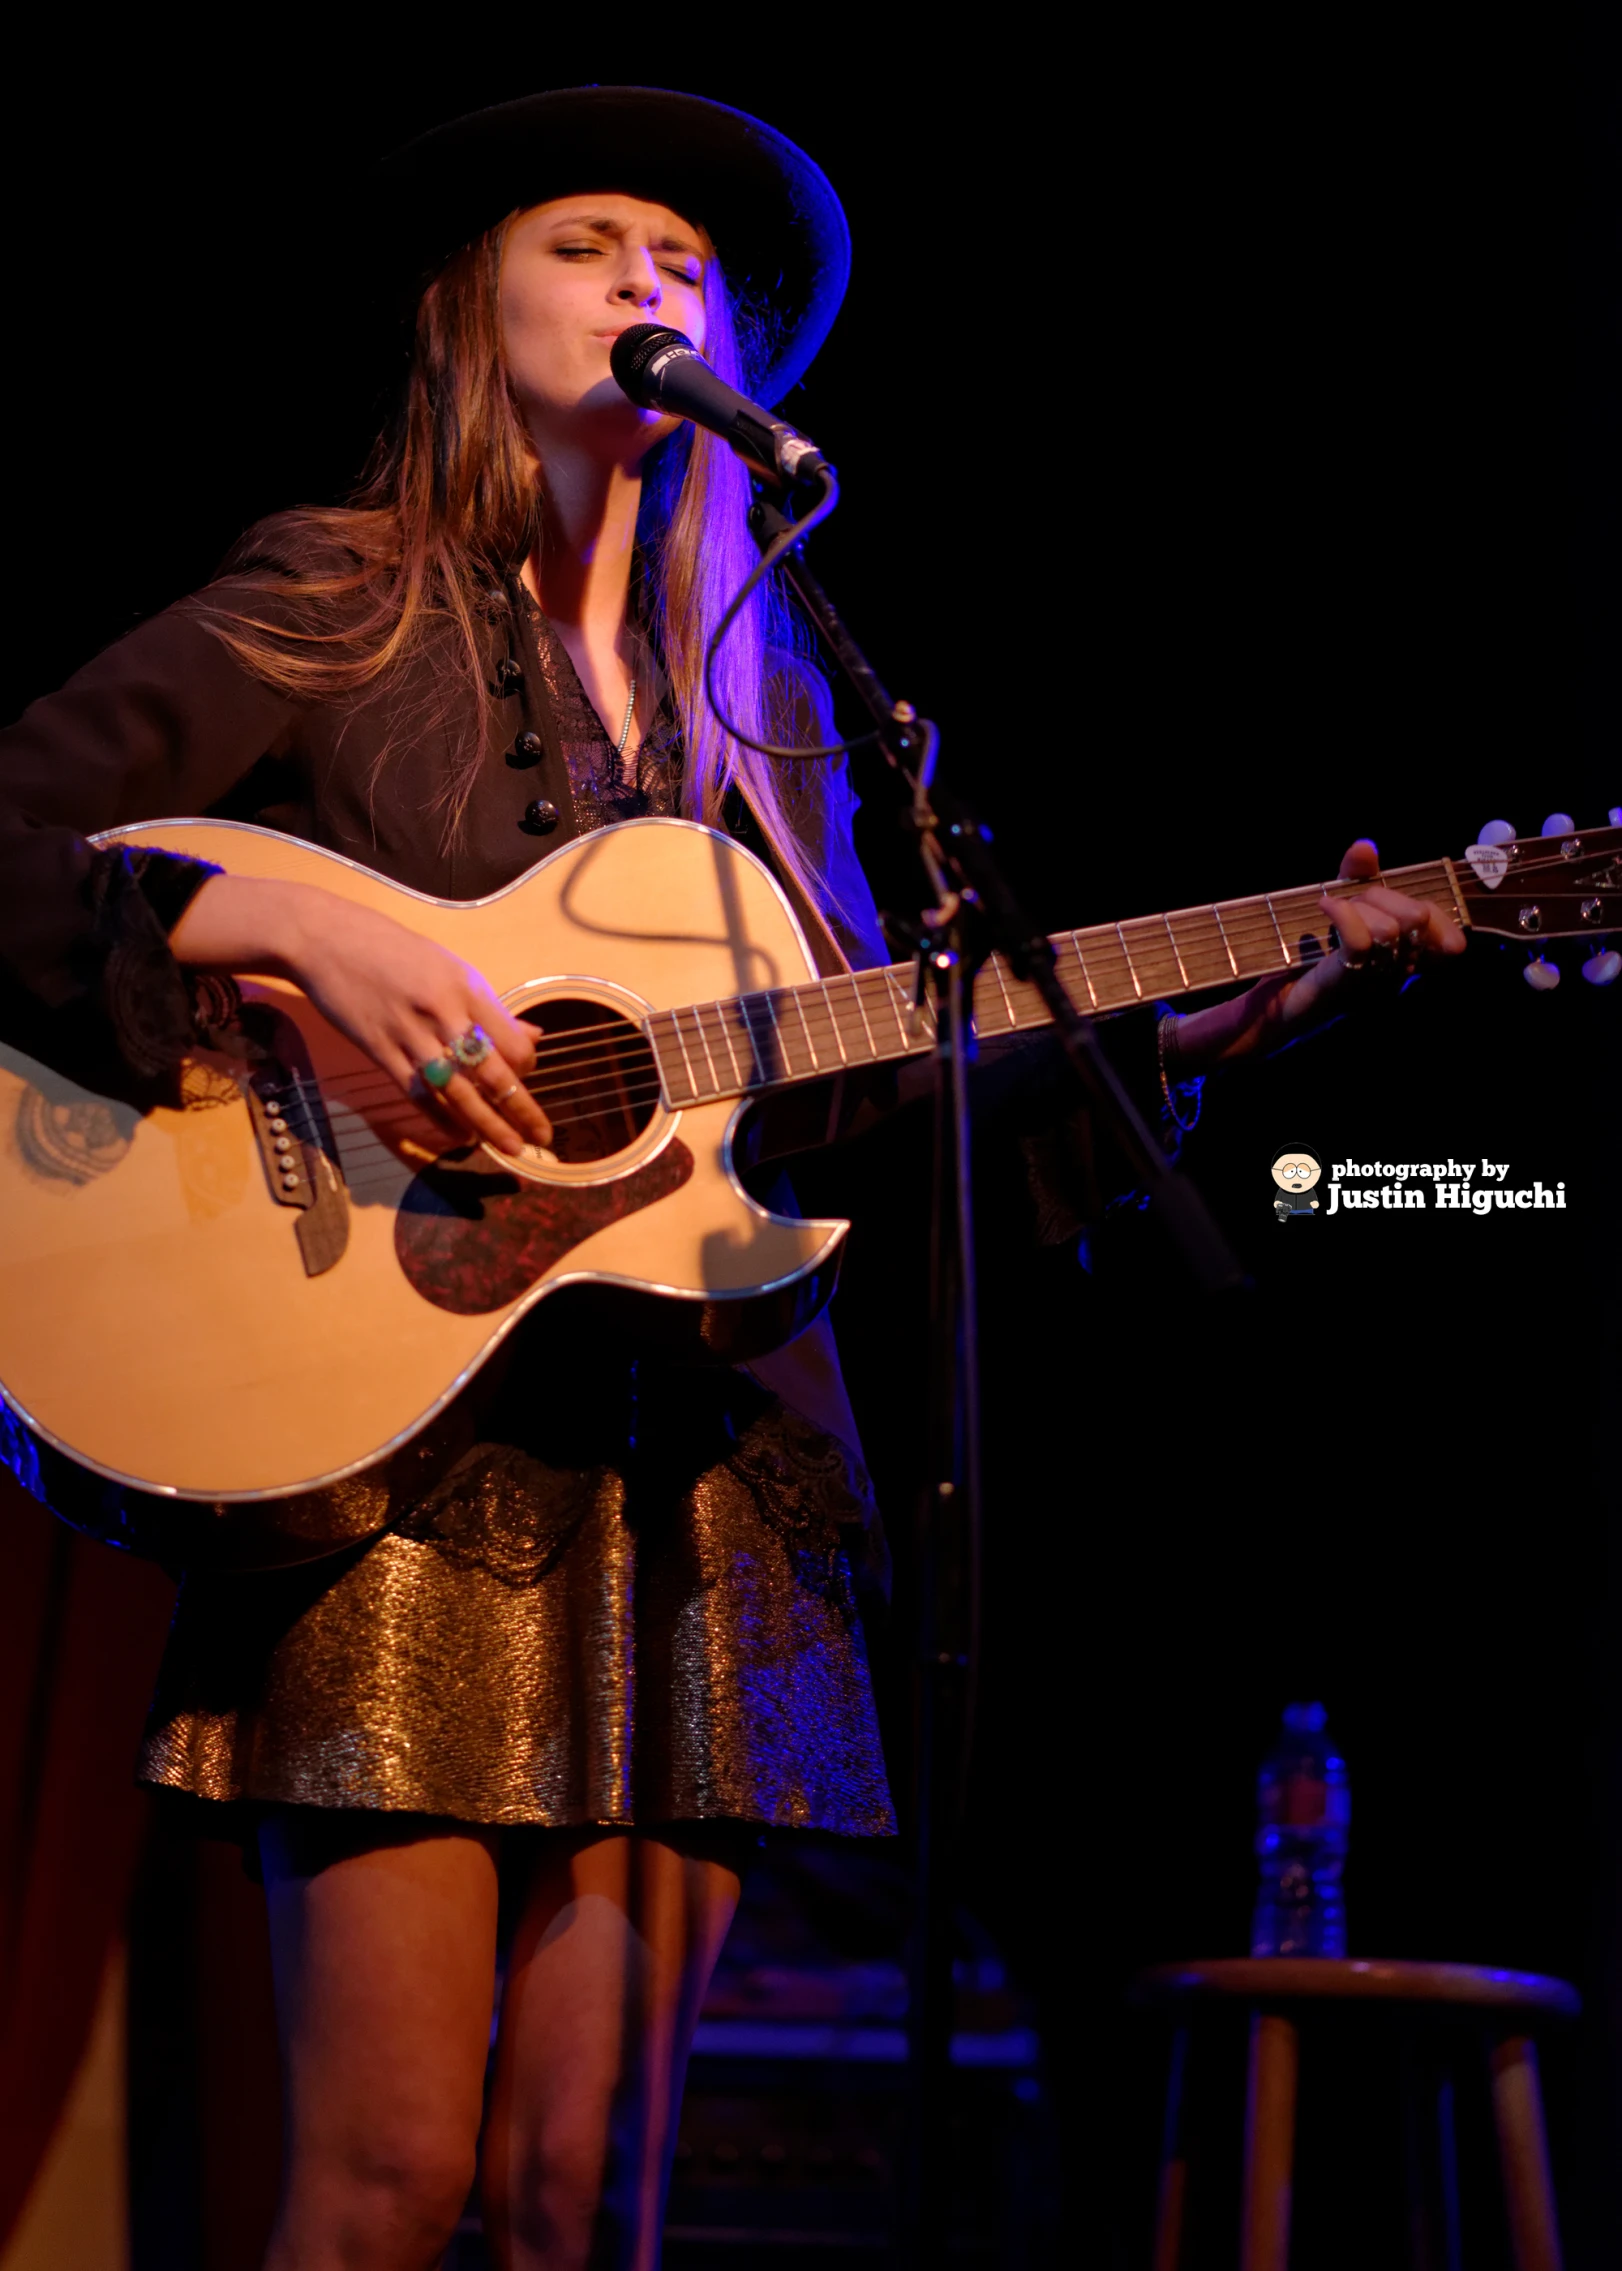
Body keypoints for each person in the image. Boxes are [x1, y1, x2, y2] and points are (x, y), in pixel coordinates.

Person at [0, 87, 1464, 2271]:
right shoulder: (334, 599)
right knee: (386, 2183)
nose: (648, 287)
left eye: (686, 267)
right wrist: (279, 924)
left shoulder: (777, 724)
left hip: (710, 1476)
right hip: (395, 1454)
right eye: (587, 243)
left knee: (593, 2199)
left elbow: (850, 1107)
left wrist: (1197, 1032)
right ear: (462, 304)